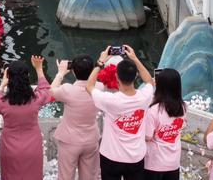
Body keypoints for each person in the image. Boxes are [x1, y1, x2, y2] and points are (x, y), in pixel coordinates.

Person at [88, 45, 155, 180]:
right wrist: (135, 58)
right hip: (136, 156)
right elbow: (149, 81)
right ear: (136, 75)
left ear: (117, 76)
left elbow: (89, 86)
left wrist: (100, 62)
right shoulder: (145, 97)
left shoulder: (110, 100)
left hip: (111, 156)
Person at [0, 57, 52, 180]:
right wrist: (39, 69)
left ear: (9, 78)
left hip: (9, 147)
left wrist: (2, 86)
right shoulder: (36, 99)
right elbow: (46, 91)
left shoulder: (2, 102)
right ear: (27, 77)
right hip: (32, 145)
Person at [51, 55, 99, 180]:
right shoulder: (98, 88)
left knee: (66, 176)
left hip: (69, 140)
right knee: (89, 176)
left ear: (73, 71)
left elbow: (51, 91)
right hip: (91, 140)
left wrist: (60, 73)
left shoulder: (67, 90)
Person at [144, 68, 187, 180]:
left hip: (154, 163)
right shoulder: (183, 107)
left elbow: (148, 136)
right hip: (173, 162)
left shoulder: (153, 110)